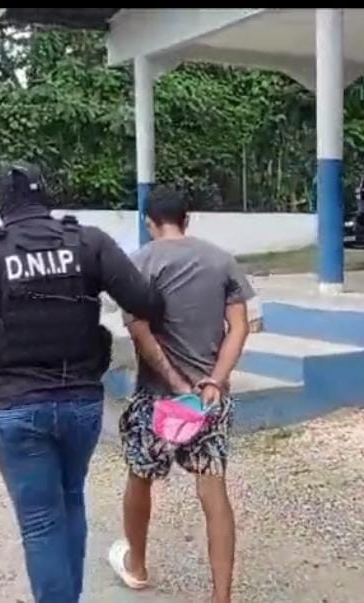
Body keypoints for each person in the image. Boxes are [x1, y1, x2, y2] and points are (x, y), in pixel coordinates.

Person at [0, 161, 166, 603]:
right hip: (81, 406)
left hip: (15, 409)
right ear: (45, 196)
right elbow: (145, 301)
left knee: (41, 523)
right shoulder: (89, 243)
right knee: (70, 502)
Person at [107, 185, 253, 603]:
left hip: (158, 398)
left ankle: (137, 566)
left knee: (140, 476)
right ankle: (221, 596)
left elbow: (139, 329)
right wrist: (214, 380)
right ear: (186, 220)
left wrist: (175, 382)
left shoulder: (139, 264)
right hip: (210, 399)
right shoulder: (221, 260)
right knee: (213, 489)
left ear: (149, 222)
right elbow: (239, 327)